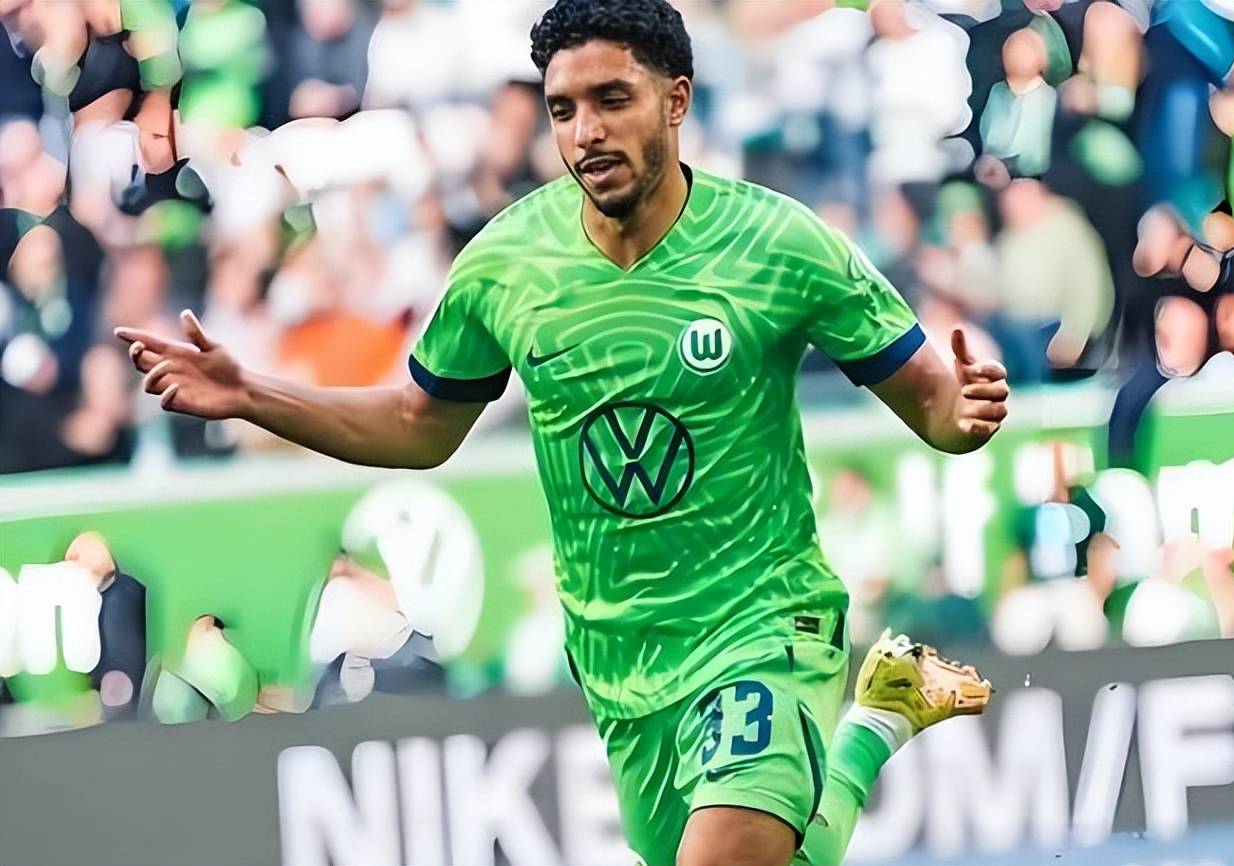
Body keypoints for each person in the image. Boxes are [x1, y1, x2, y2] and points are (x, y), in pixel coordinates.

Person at [116, 2, 1007, 863]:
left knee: (731, 851)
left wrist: (963, 417)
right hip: (620, 654)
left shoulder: (779, 245)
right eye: (564, 109)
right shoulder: (505, 266)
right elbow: (421, 426)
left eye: (612, 99)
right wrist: (251, 393)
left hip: (763, 622)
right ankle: (876, 723)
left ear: (676, 100)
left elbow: (937, 407)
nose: (586, 132)